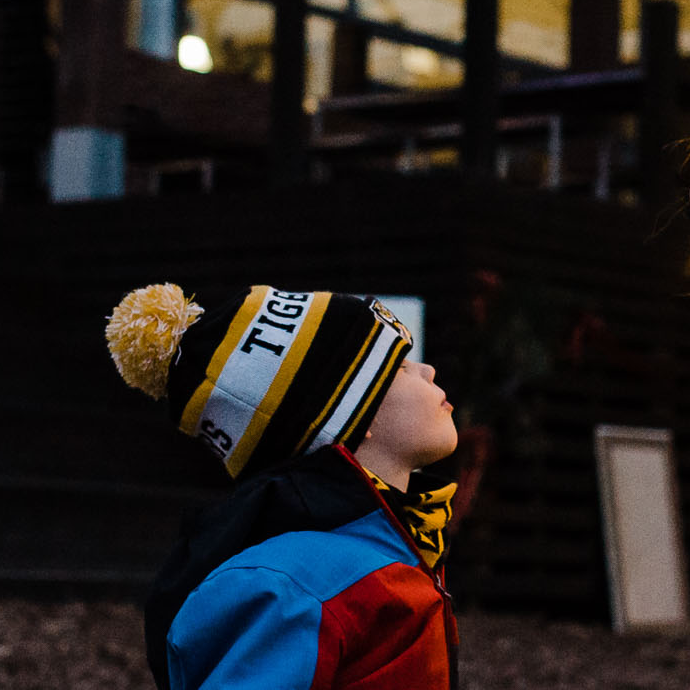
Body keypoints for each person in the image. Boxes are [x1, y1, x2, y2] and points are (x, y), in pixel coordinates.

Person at [106, 283, 461, 690]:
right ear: (349, 416)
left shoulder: (395, 544)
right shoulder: (297, 590)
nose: (427, 370)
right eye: (399, 366)